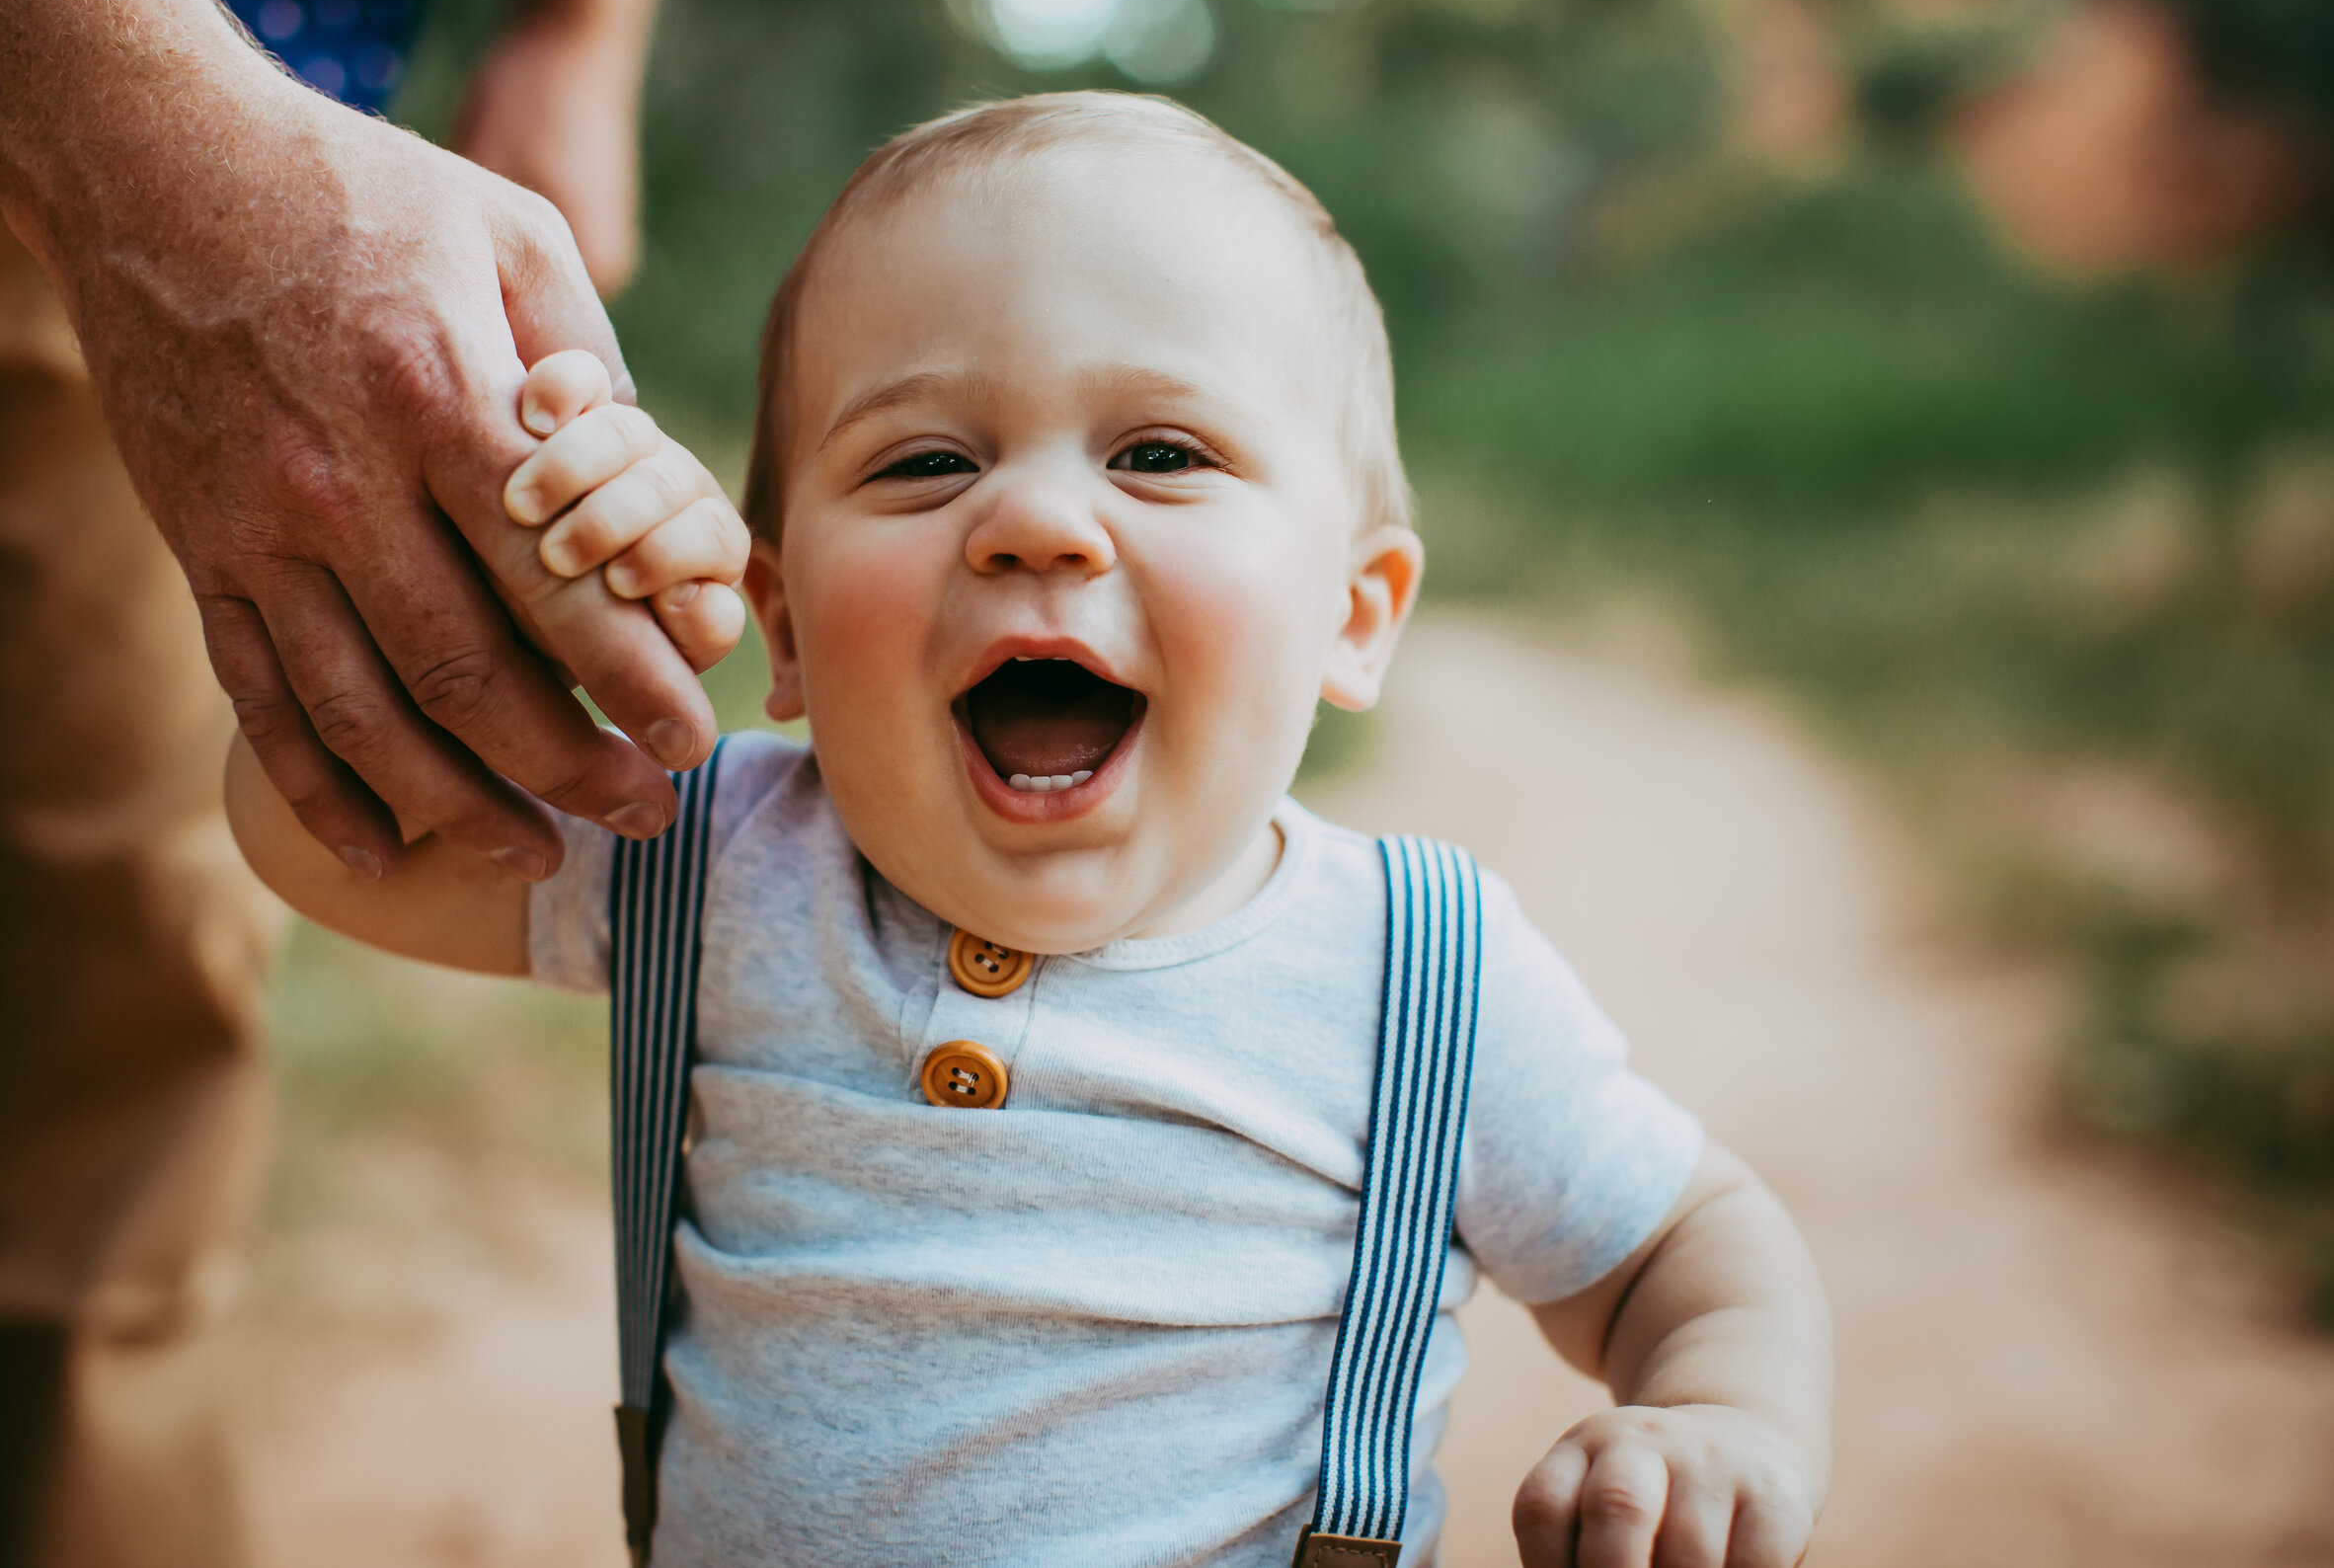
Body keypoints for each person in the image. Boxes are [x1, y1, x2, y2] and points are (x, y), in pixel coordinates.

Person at [228, 92, 1833, 1567]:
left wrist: (1721, 1416)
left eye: (1161, 454)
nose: (1038, 522)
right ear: (778, 628)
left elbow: (1683, 1244)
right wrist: (504, 599)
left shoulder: (1426, 980)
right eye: (928, 463)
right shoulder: (710, 856)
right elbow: (326, 833)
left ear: (1353, 616)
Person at [0, 0, 727, 1560]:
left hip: (258, 73)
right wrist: (143, 131)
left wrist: (576, 18)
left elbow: (293, 827)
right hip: (166, 114)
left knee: (128, 946)